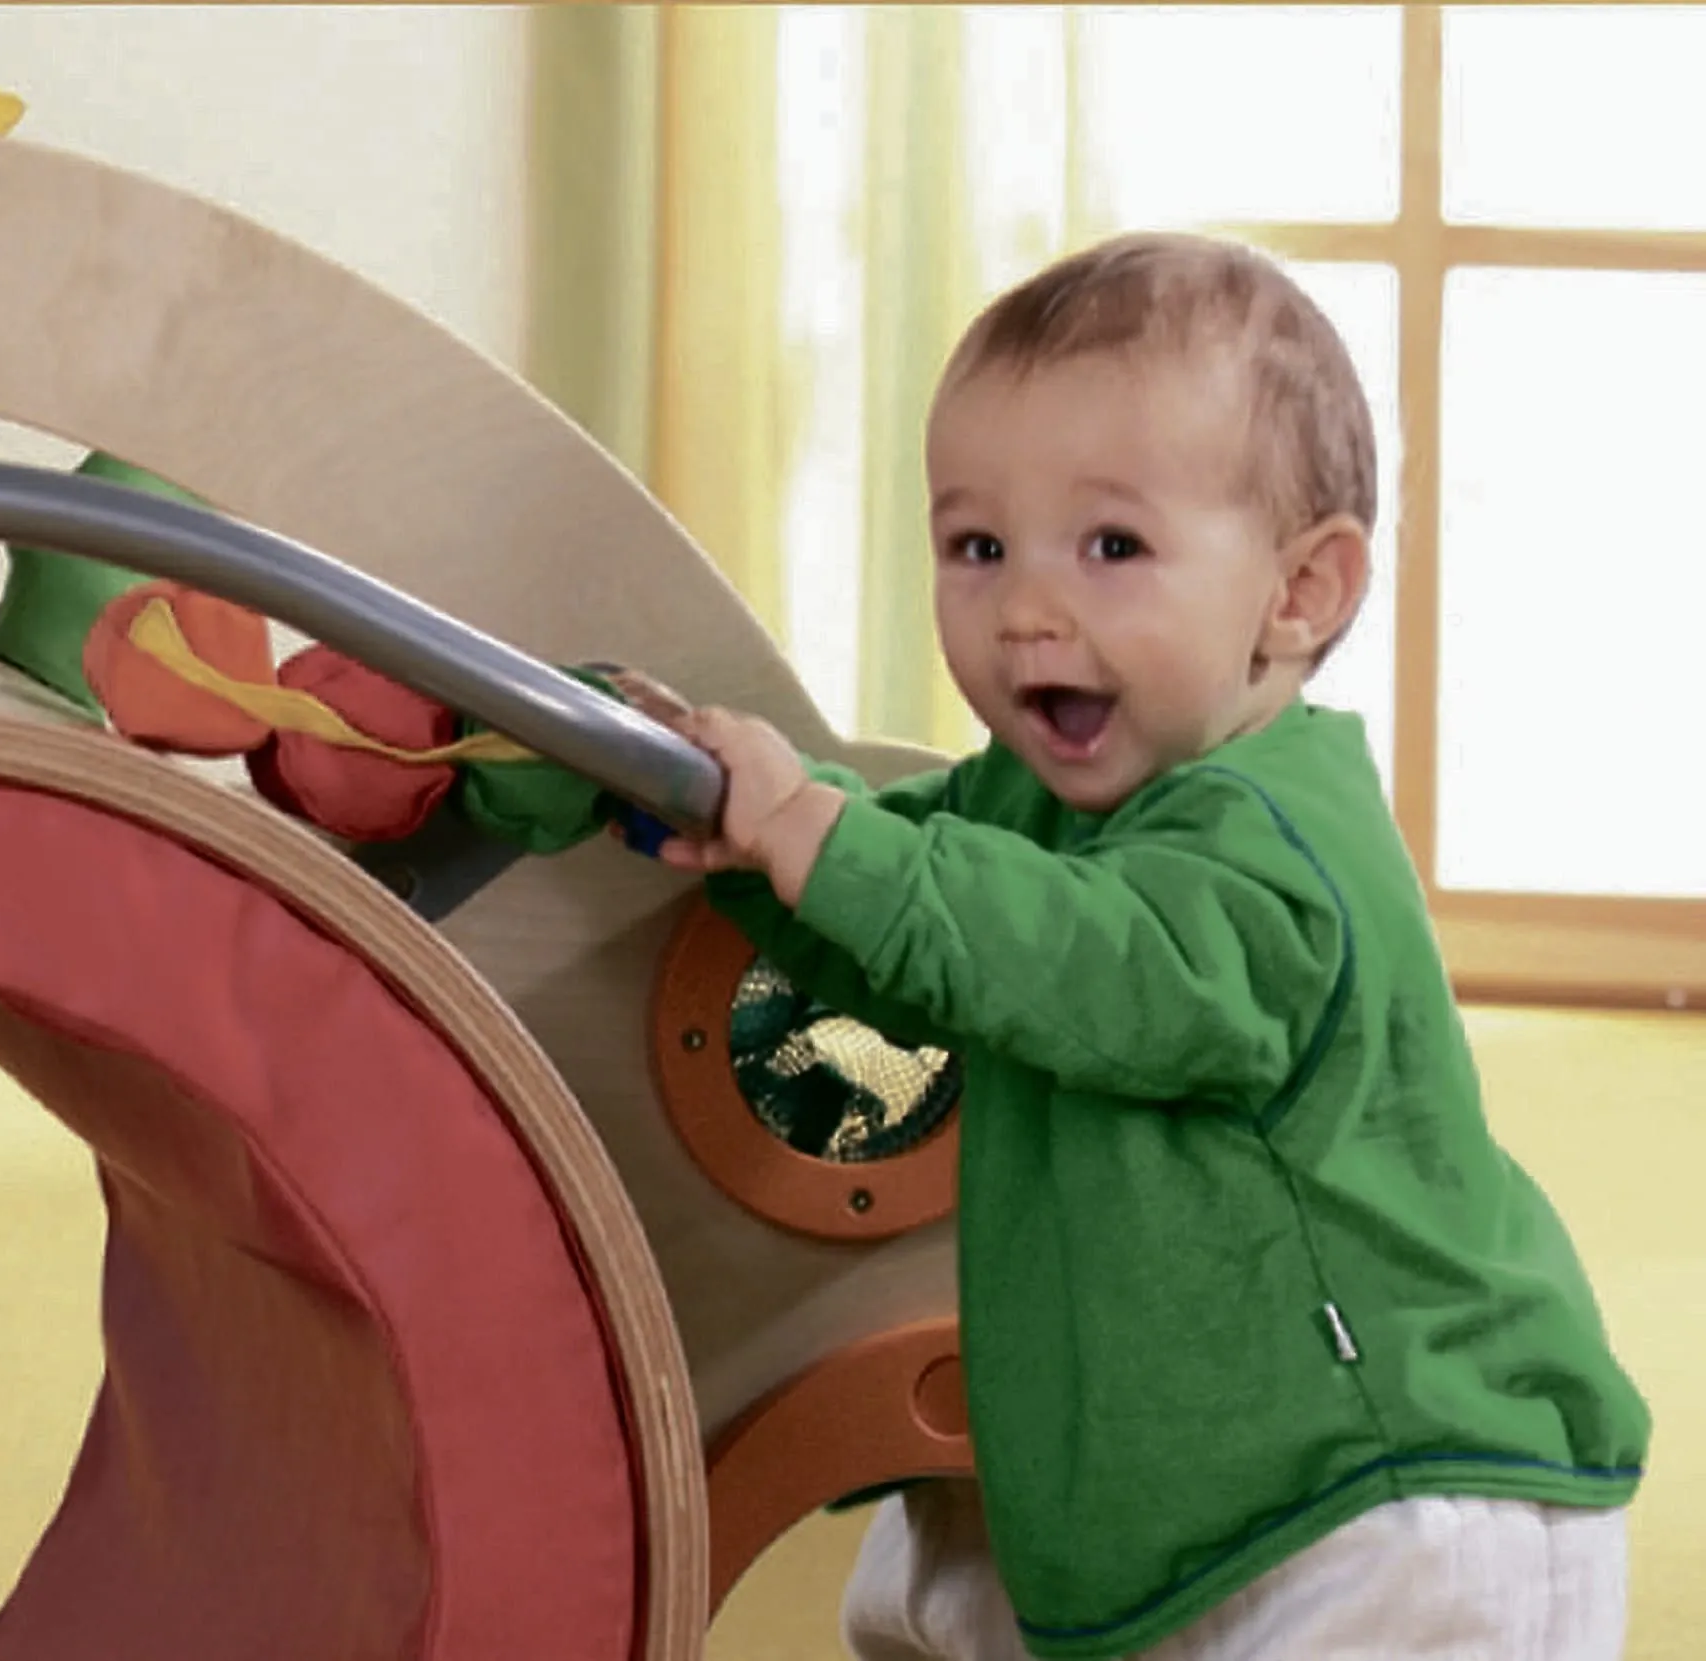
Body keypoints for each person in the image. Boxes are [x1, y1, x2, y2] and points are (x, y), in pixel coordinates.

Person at [602, 232, 1650, 1659]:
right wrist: (749, 837)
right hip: (1214, 1476)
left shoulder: (1279, 851)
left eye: (1111, 548)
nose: (1024, 609)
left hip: (1395, 1490)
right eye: (976, 546)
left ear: (1297, 594)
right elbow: (921, 923)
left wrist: (824, 836)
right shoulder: (1031, 802)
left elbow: (1075, 957)